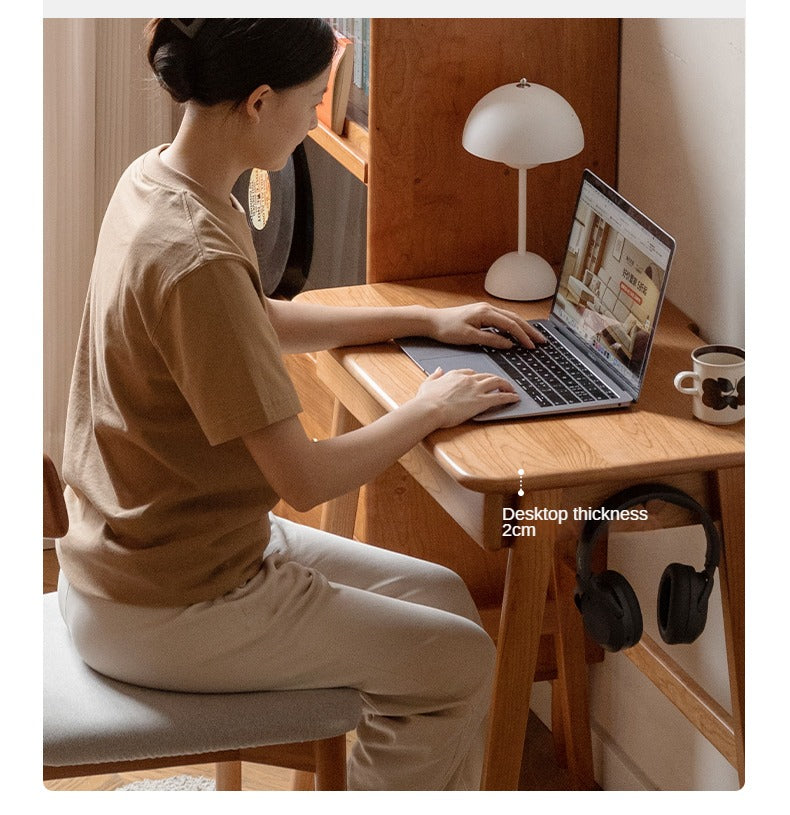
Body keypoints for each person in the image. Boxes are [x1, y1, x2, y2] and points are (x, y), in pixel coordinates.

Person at [56, 18, 545, 791]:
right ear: (258, 102)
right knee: (457, 662)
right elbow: (306, 477)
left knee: (444, 598)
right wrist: (428, 407)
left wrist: (426, 320)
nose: (319, 119)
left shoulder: (160, 181)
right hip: (170, 604)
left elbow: (256, 319)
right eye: (313, 99)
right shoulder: (196, 254)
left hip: (144, 557)